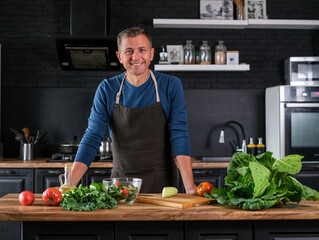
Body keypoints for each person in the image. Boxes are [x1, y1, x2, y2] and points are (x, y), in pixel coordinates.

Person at [71, 26, 197, 194]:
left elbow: (179, 134)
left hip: (163, 185)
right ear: (119, 56)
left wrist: (190, 187)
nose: (136, 57)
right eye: (129, 51)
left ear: (151, 54)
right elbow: (93, 136)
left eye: (142, 50)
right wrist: (69, 184)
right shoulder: (107, 89)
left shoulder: (170, 85)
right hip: (121, 184)